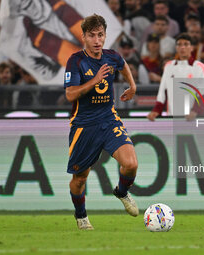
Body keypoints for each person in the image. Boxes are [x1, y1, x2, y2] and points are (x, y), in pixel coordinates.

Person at [64, 14, 138, 230]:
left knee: (131, 164)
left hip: (108, 119)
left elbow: (123, 65)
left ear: (105, 36)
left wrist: (132, 86)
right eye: (92, 36)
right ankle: (81, 216)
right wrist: (94, 80)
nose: (97, 40)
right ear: (84, 37)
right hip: (84, 125)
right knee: (80, 179)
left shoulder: (111, 56)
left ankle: (122, 192)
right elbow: (70, 94)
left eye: (100, 35)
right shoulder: (76, 61)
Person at [147, 33, 204, 121]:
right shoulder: (169, 66)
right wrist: (156, 110)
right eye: (179, 44)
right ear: (176, 48)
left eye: (186, 44)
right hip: (172, 116)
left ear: (192, 48)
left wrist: (196, 111)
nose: (182, 47)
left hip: (193, 118)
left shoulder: (200, 67)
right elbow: (163, 91)